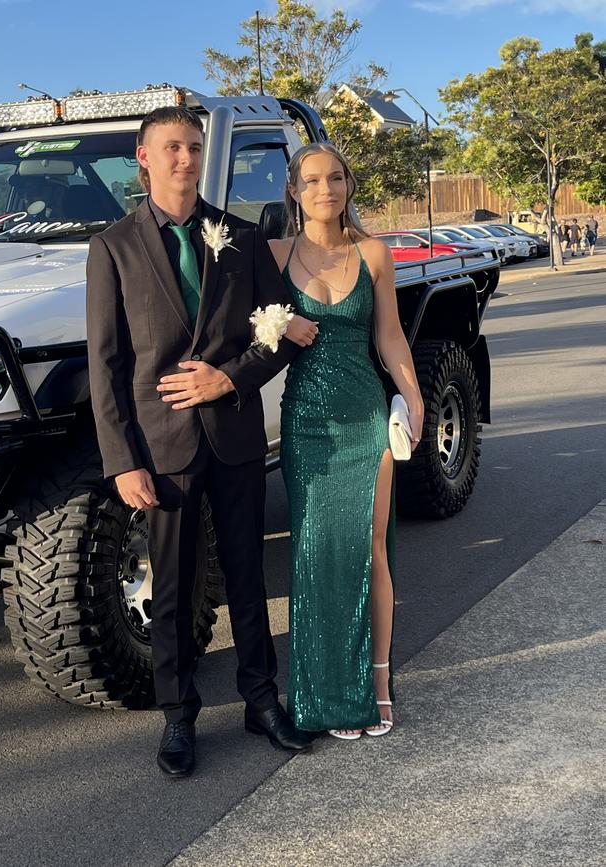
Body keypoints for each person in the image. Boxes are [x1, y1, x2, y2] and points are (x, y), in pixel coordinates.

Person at [86, 106, 318, 779]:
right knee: (176, 586)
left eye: (193, 147)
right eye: (172, 148)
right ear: (144, 157)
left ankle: (260, 699)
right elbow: (107, 364)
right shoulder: (113, 248)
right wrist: (122, 459)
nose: (185, 159)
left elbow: (274, 334)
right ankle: (178, 716)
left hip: (236, 434)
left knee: (249, 575)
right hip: (162, 450)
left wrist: (229, 378)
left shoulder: (240, 237)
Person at [269, 143, 424, 740]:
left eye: (335, 178)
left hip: (364, 420)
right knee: (315, 554)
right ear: (294, 190)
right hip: (307, 423)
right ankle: (323, 690)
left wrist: (412, 398)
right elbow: (235, 321)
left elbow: (390, 338)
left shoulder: (375, 254)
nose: (325, 189)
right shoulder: (274, 254)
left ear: (348, 185)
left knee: (371, 549)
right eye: (312, 180)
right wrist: (282, 326)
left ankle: (376, 682)